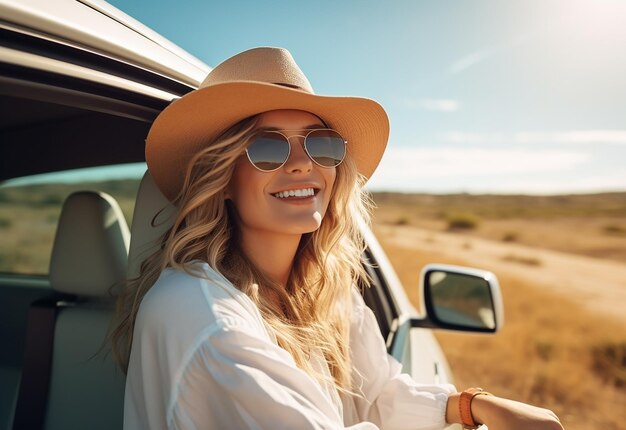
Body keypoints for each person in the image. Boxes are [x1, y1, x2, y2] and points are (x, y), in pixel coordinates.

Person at [112, 47, 563, 430]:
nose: (302, 164)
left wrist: (472, 405)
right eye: (267, 147)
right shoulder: (204, 318)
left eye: (320, 143)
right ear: (223, 177)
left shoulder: (324, 287)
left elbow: (376, 392)